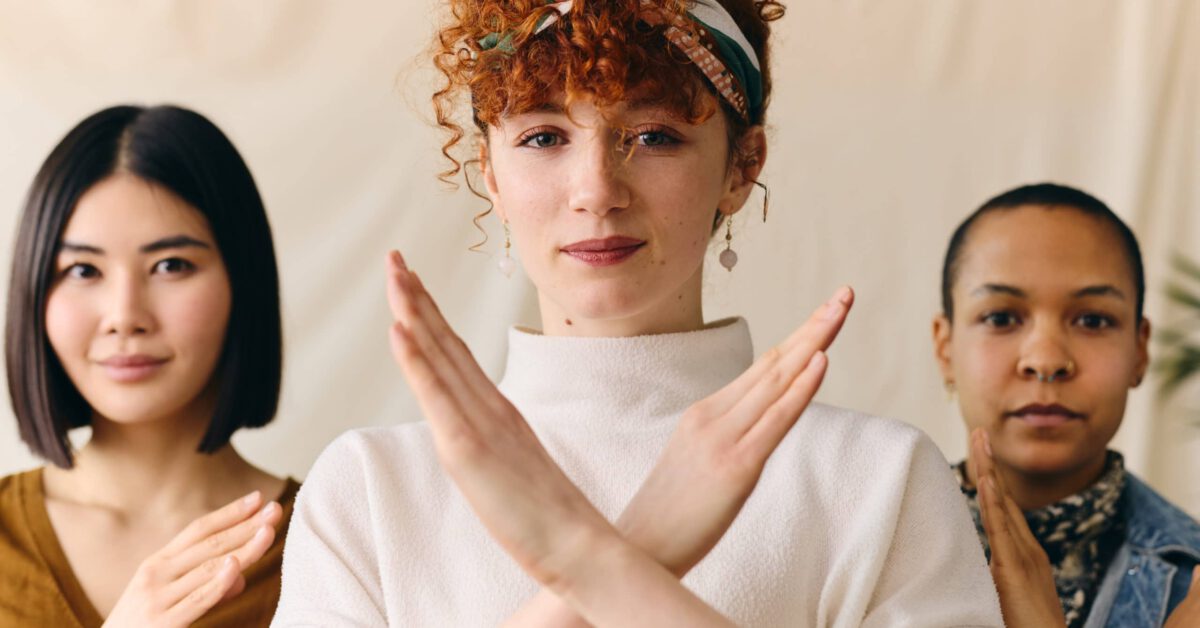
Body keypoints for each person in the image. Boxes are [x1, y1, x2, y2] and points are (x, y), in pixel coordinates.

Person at [275, 1, 1002, 624]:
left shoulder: (880, 480)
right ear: (490, 175)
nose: (597, 189)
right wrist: (629, 552)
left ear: (743, 166)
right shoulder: (370, 490)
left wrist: (589, 562)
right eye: (543, 138)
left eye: (654, 136)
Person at [1, 104, 300, 627]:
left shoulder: (326, 539)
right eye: (83, 270)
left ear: (242, 282)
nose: (125, 316)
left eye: (170, 265)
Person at [932, 182, 1200, 627]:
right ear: (945, 348)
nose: (1046, 361)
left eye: (1093, 320)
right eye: (1001, 318)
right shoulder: (860, 554)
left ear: (1139, 350)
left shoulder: (1189, 580)